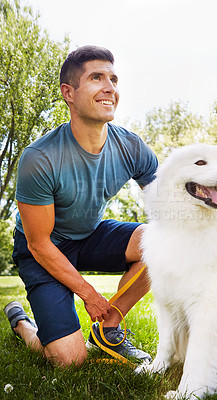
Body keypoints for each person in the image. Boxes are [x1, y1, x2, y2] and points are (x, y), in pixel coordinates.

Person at [3, 45, 158, 367]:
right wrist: (89, 294)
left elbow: (171, 207)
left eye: (114, 79)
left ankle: (108, 327)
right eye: (97, 78)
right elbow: (39, 243)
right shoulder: (40, 158)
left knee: (158, 242)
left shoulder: (131, 147)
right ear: (68, 93)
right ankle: (22, 323)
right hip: (43, 249)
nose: (110, 88)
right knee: (68, 359)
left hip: (90, 235)